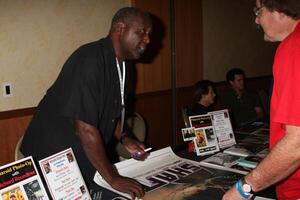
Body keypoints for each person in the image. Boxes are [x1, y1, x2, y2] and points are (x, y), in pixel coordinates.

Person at [20, 7, 152, 199]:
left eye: (149, 34)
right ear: (120, 28)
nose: (148, 39)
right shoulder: (89, 59)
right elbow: (85, 129)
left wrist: (125, 138)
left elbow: (112, 115)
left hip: (80, 157)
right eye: (142, 32)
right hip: (52, 158)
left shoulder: (123, 66)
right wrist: (113, 178)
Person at [223, 0, 300, 199]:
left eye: (259, 11)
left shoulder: (294, 45)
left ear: (281, 10)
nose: (257, 20)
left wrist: (244, 189)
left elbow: (297, 142)